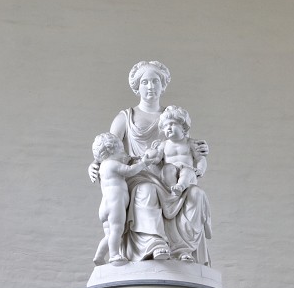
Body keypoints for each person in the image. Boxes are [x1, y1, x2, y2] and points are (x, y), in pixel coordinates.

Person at [88, 61, 212, 264]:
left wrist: (201, 151)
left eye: (155, 81)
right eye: (145, 82)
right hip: (137, 175)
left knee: (196, 195)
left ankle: (184, 249)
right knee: (145, 191)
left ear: (163, 85)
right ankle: (155, 245)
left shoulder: (172, 117)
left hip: (169, 176)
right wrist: (94, 165)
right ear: (137, 86)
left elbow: (186, 145)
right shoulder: (125, 118)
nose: (150, 86)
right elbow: (107, 150)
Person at [91, 132, 147, 265]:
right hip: (115, 203)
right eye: (121, 150)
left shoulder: (104, 167)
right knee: (117, 229)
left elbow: (125, 162)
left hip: (105, 206)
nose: (123, 153)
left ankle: (99, 256)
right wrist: (144, 163)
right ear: (111, 150)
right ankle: (114, 255)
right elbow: (130, 171)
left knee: (109, 234)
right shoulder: (111, 164)